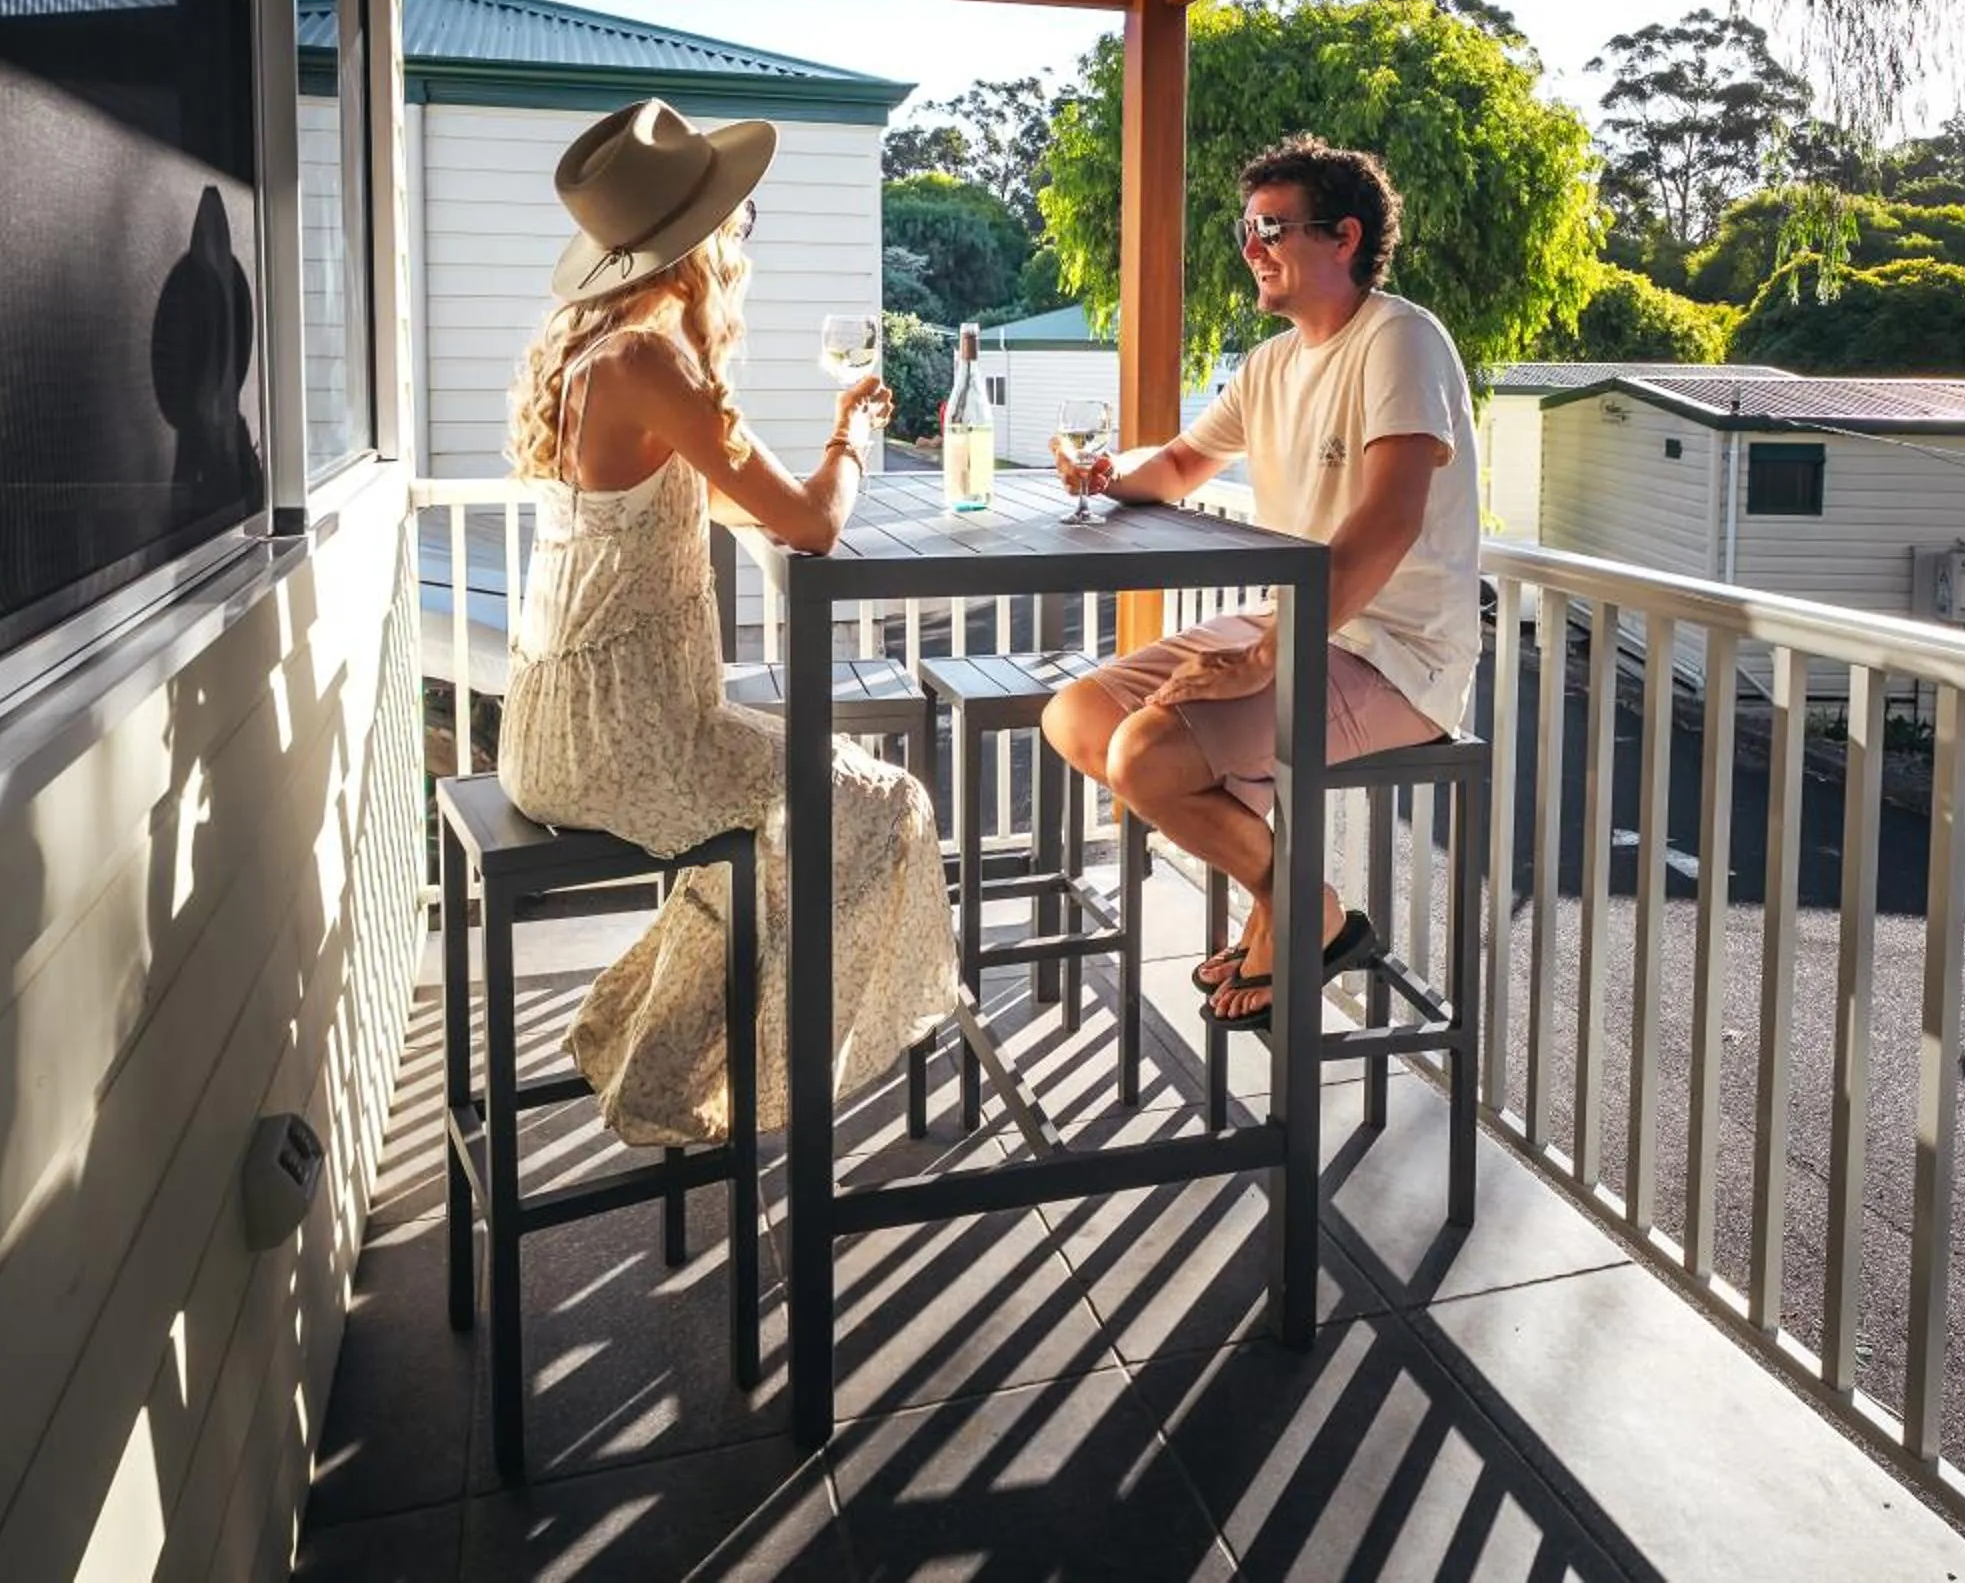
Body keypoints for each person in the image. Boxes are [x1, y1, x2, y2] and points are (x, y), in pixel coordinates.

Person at [499, 98, 959, 1145]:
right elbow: (812, 524)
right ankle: (710, 1076)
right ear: (700, 242)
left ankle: (654, 1052)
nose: (742, 238)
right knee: (882, 804)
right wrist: (850, 441)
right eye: (736, 221)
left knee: (781, 823)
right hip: (630, 744)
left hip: (550, 735)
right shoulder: (650, 364)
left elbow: (716, 498)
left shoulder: (592, 357)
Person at [1041, 136, 1481, 1024]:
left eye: (1272, 228)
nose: (1251, 248)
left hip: (1396, 654)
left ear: (1344, 237)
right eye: (1247, 229)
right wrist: (1104, 475)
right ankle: (1295, 902)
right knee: (1077, 716)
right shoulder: (1271, 363)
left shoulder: (1400, 339)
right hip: (1297, 623)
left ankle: (1299, 909)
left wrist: (1269, 654)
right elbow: (1177, 465)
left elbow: (1389, 521)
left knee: (1146, 757)